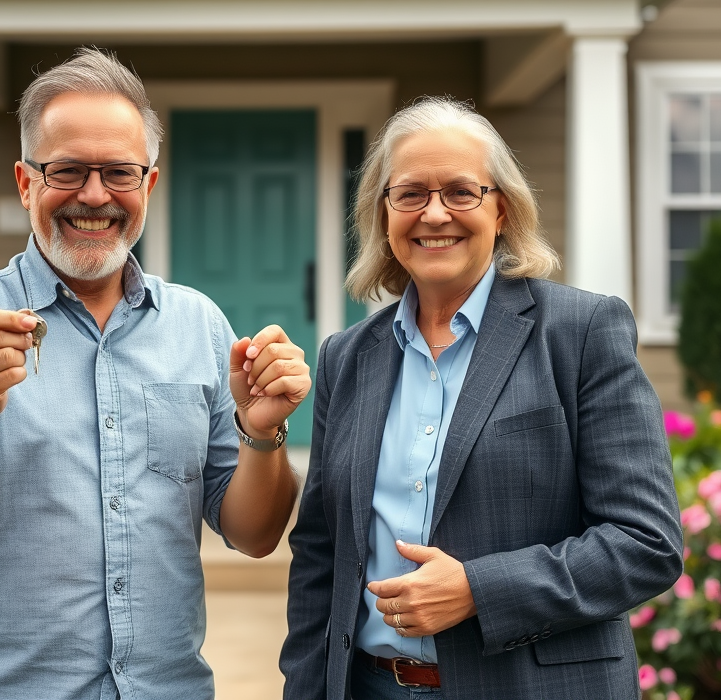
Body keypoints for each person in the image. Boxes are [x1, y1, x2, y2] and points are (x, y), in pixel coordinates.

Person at [0, 47, 310, 699]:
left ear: (148, 186)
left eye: (118, 172)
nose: (94, 194)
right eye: (67, 170)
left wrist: (261, 433)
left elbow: (255, 535)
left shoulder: (197, 325)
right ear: (25, 182)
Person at [280, 97, 683, 700]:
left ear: (502, 210)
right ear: (384, 215)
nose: (434, 213)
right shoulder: (348, 356)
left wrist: (478, 589)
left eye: (461, 192)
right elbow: (320, 552)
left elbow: (646, 542)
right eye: (410, 193)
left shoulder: (579, 333)